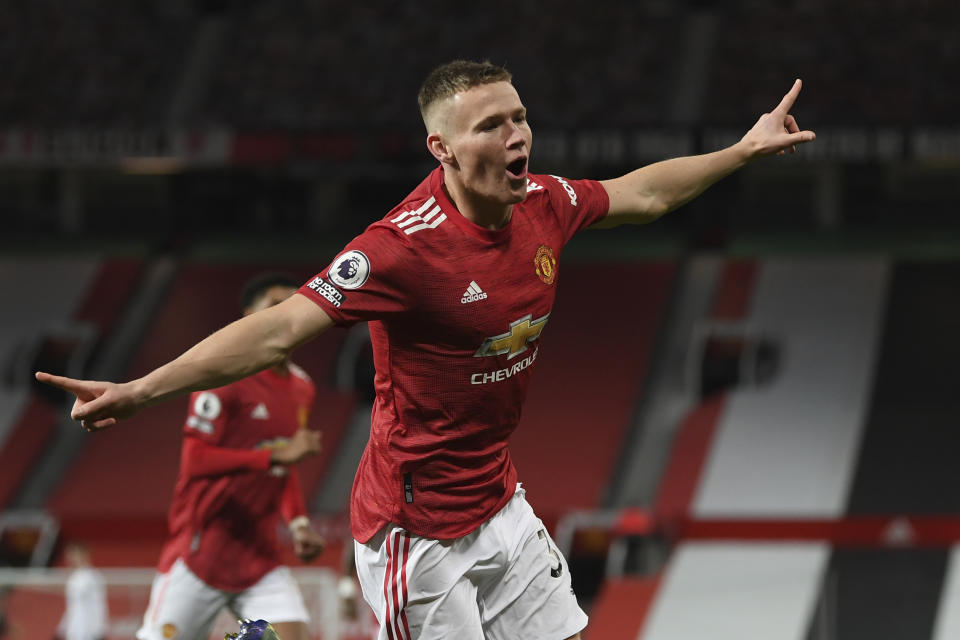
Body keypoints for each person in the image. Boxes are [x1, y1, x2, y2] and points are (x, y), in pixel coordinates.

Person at [37, 60, 815, 640]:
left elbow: (645, 193)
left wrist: (742, 151)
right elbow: (277, 329)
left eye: (518, 117)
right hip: (416, 530)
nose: (516, 136)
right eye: (490, 126)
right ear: (440, 148)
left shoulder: (544, 202)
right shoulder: (398, 251)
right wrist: (141, 389)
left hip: (499, 501)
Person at [133, 273, 325, 640]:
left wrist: (299, 524)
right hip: (200, 556)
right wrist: (274, 457)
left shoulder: (303, 387)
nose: (287, 315)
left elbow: (284, 468)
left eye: (293, 306)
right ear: (248, 317)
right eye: (274, 307)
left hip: (259, 558)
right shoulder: (223, 377)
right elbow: (195, 460)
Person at [55, 543, 107, 640]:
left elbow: (98, 606)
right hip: (75, 632)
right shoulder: (73, 577)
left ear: (83, 555)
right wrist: (62, 629)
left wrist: (98, 630)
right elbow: (73, 608)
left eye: (73, 555)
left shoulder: (92, 577)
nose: (70, 559)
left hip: (89, 632)